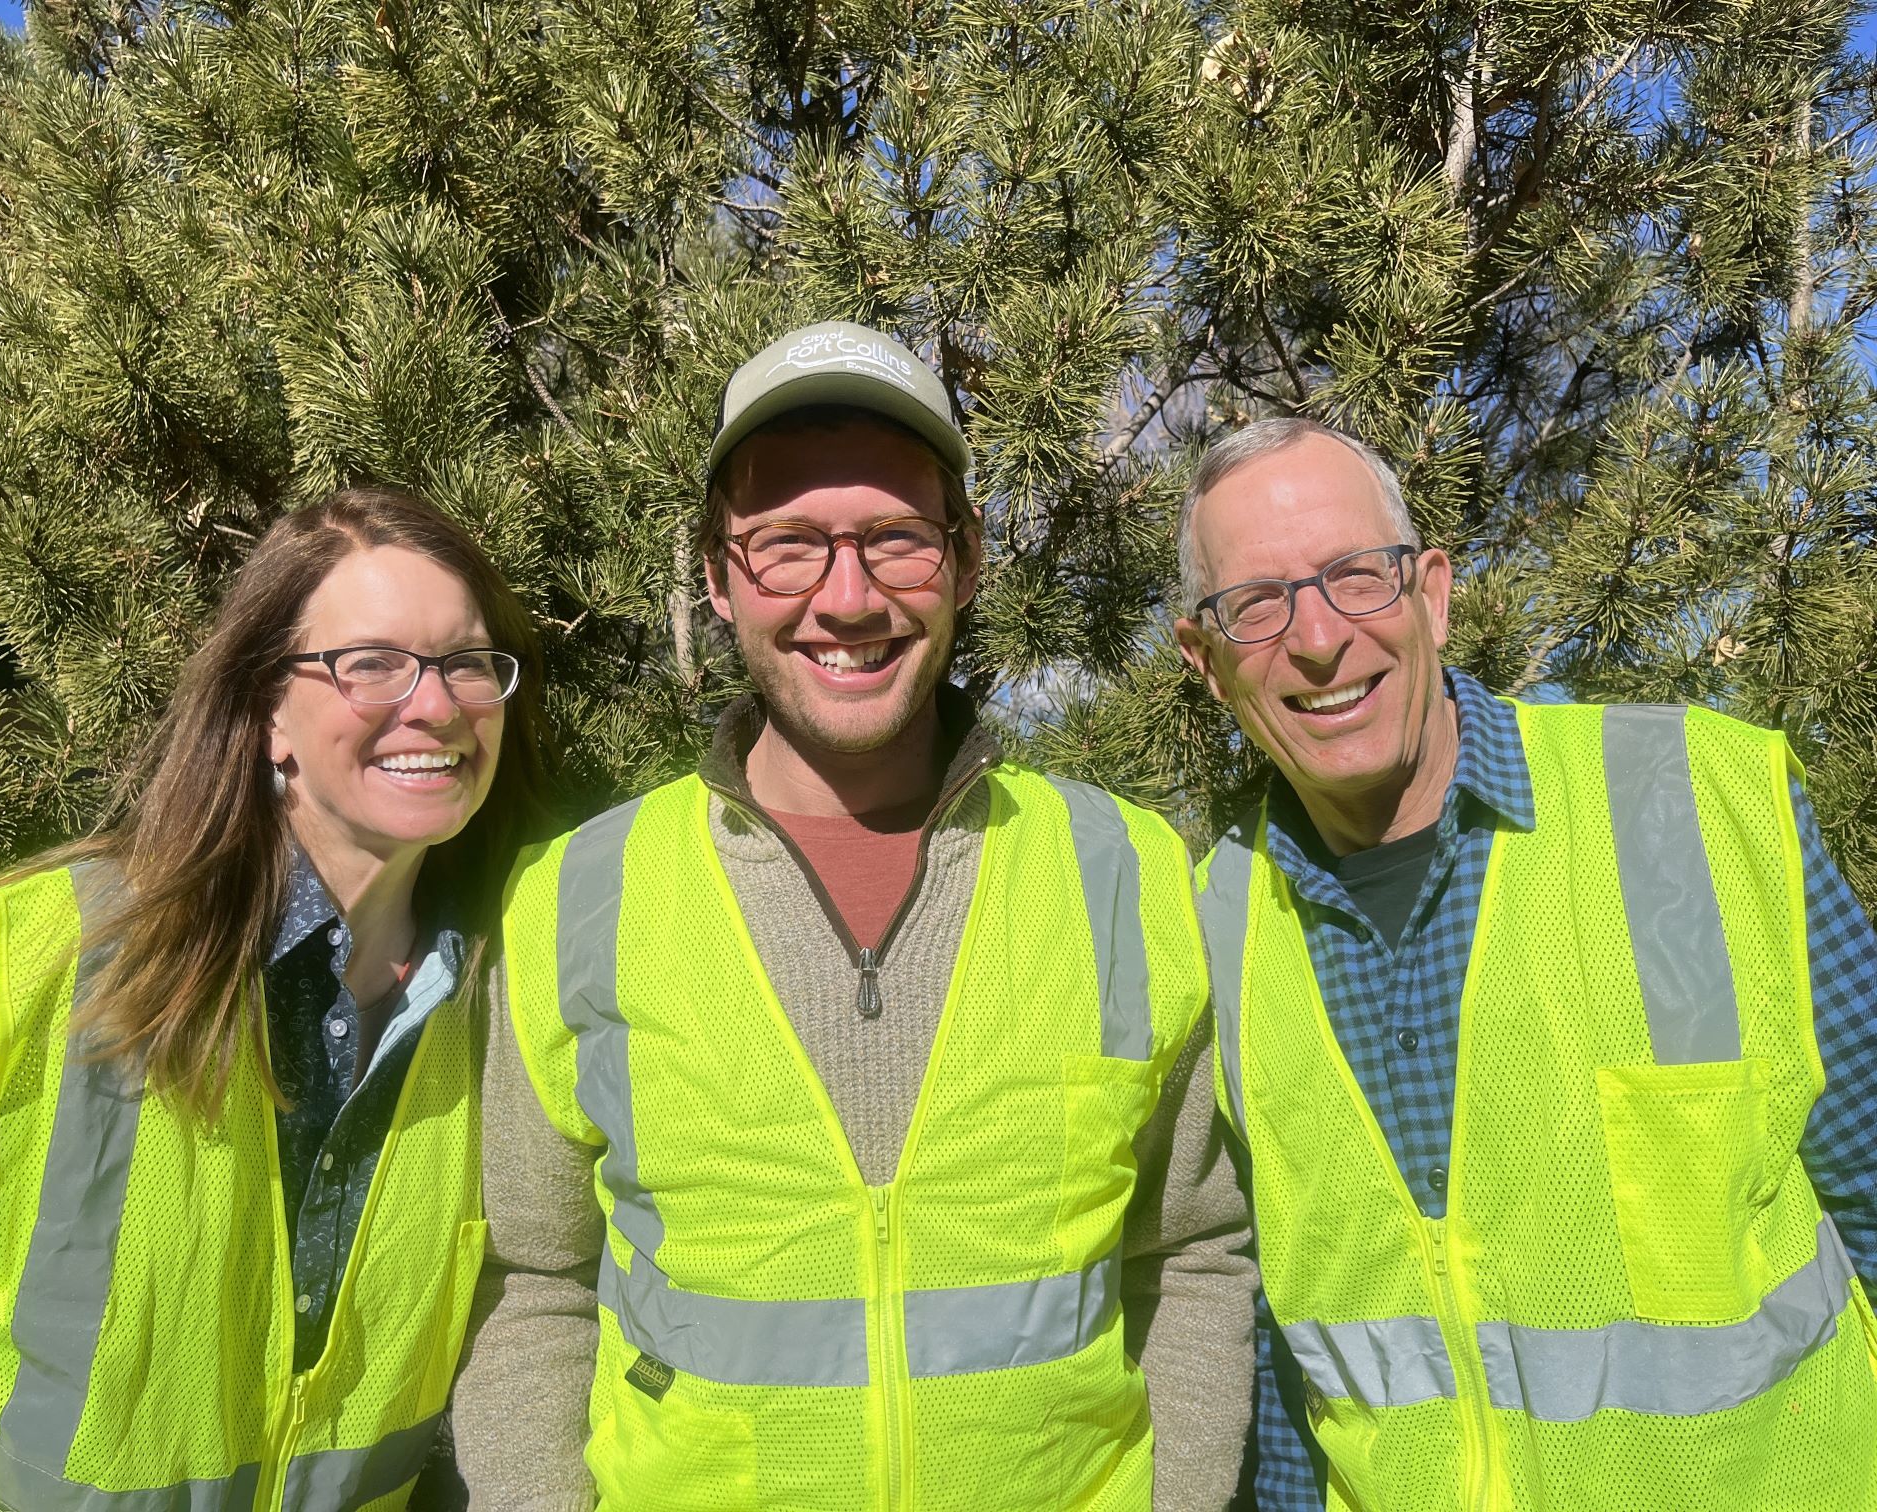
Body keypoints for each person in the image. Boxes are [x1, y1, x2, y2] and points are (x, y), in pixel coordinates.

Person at [453, 320, 1254, 1509]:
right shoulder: (581, 896)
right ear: (720, 579)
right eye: (787, 547)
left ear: (967, 560)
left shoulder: (1124, 871)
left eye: (895, 541)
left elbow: (1191, 1254)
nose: (847, 597)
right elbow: (536, 1285)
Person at [1173, 416, 1877, 1511]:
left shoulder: (1692, 802)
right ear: (1204, 661)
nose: (1315, 639)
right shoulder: (1212, 927)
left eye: (1356, 577)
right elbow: (1285, 1365)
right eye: (1255, 605)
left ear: (1434, 594)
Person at [0, 486, 549, 1510]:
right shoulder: (44, 962)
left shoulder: (510, 1002)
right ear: (271, 704)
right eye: (371, 664)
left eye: (466, 663)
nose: (437, 705)